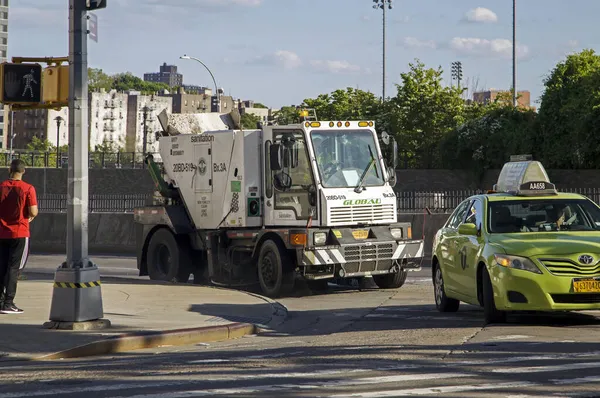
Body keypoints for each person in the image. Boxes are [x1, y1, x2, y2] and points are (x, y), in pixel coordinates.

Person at [0, 159, 37, 314]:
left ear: (10, 170)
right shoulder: (28, 188)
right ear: (24, 171)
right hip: (19, 232)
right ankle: (8, 303)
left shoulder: (1, 187)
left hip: (1, 232)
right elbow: (33, 211)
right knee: (14, 268)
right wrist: (29, 217)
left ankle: (1, 301)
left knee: (2, 266)